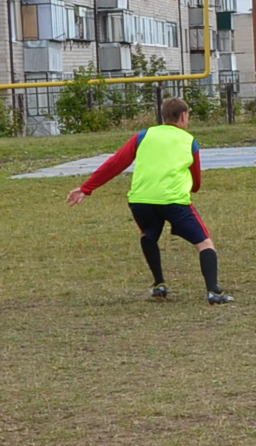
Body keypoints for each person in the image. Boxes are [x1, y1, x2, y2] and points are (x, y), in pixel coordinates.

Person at [67, 95, 231, 304]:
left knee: (149, 234)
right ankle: (214, 292)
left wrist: (86, 189)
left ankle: (159, 285)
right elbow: (196, 180)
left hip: (141, 201)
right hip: (174, 202)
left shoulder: (143, 136)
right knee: (204, 243)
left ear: (163, 117)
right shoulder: (189, 141)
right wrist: (192, 187)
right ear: (183, 116)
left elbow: (115, 163)